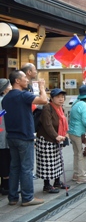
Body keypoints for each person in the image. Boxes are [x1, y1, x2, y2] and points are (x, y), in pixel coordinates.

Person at [2, 70, 48, 206]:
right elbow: (44, 101)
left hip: (11, 136)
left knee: (14, 167)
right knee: (26, 168)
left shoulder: (6, 98)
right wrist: (41, 88)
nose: (27, 80)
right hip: (24, 136)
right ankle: (28, 197)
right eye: (24, 78)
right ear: (17, 81)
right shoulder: (23, 95)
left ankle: (13, 197)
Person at [36, 88, 70, 193]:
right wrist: (56, 136)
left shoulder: (60, 108)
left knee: (58, 162)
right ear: (52, 98)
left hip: (57, 139)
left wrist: (64, 134)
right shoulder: (47, 108)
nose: (61, 99)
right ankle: (47, 185)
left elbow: (62, 122)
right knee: (47, 163)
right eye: (58, 97)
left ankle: (57, 182)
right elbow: (47, 125)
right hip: (46, 139)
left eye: (62, 97)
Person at [0, 78, 12, 195]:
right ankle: (6, 185)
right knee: (5, 159)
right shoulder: (4, 101)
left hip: (3, 134)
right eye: (9, 85)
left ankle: (4, 184)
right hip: (4, 134)